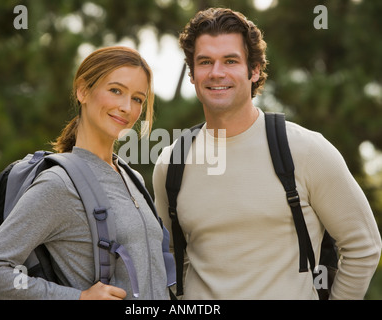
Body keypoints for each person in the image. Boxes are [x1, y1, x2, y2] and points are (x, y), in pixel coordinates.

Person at [152, 7, 382, 299]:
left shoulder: (306, 150)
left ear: (254, 70)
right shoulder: (172, 162)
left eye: (230, 60)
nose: (216, 72)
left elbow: (364, 246)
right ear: (192, 74)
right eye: (205, 61)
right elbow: (169, 253)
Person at [0, 46, 170, 300]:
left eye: (137, 99)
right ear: (83, 91)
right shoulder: (59, 184)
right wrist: (78, 298)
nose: (126, 107)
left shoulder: (134, 179)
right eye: (116, 91)